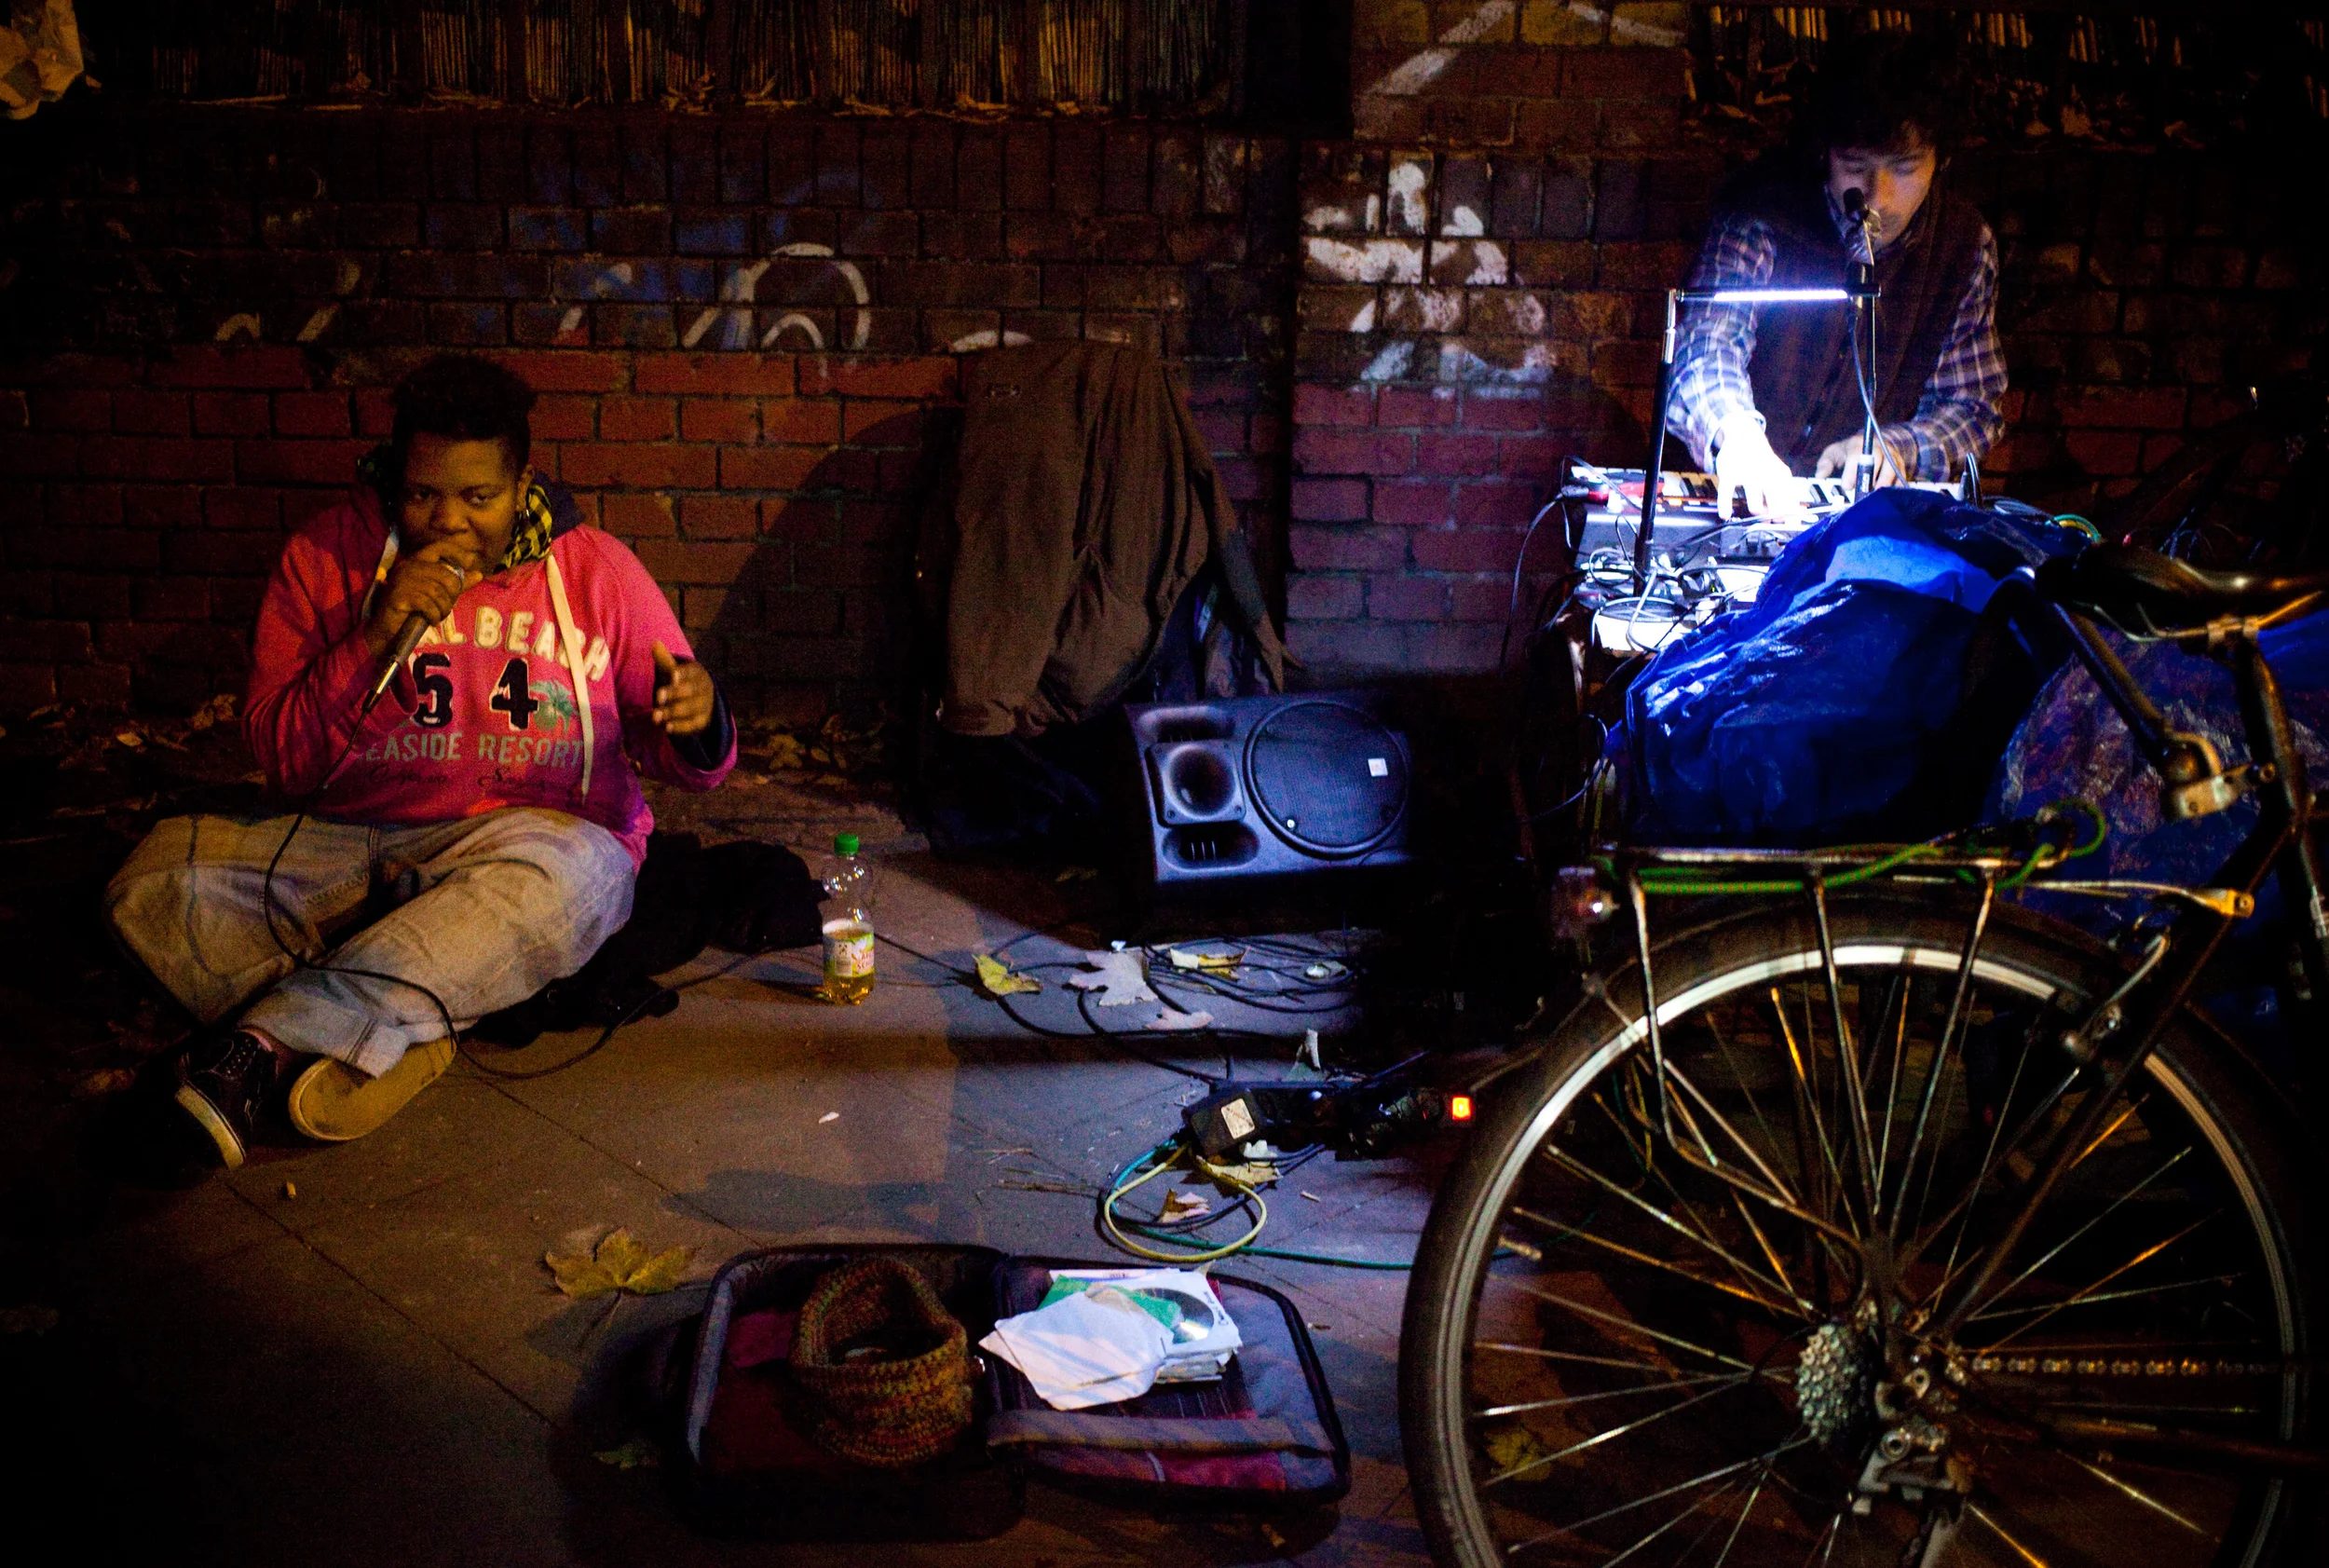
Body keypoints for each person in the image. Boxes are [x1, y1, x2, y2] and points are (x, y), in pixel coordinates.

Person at [106, 354, 737, 1168]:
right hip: (352, 840)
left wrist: (700, 721)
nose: (450, 520)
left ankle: (262, 1047)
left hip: (525, 846)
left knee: (589, 876)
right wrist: (370, 636)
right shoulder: (327, 556)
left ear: (522, 485)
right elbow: (281, 758)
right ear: (394, 479)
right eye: (423, 494)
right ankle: (422, 1007)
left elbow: (695, 762)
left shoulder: (595, 571)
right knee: (148, 888)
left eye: (479, 497)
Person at [1667, 32, 2006, 520]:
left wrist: (1902, 445)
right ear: (1825, 153)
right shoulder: (1763, 216)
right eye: (1855, 167)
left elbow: (1972, 404)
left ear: (1942, 159)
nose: (1878, 196)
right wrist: (1737, 436)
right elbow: (1707, 347)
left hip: (1860, 521)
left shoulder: (1965, 244)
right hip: (1731, 502)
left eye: (1905, 168)